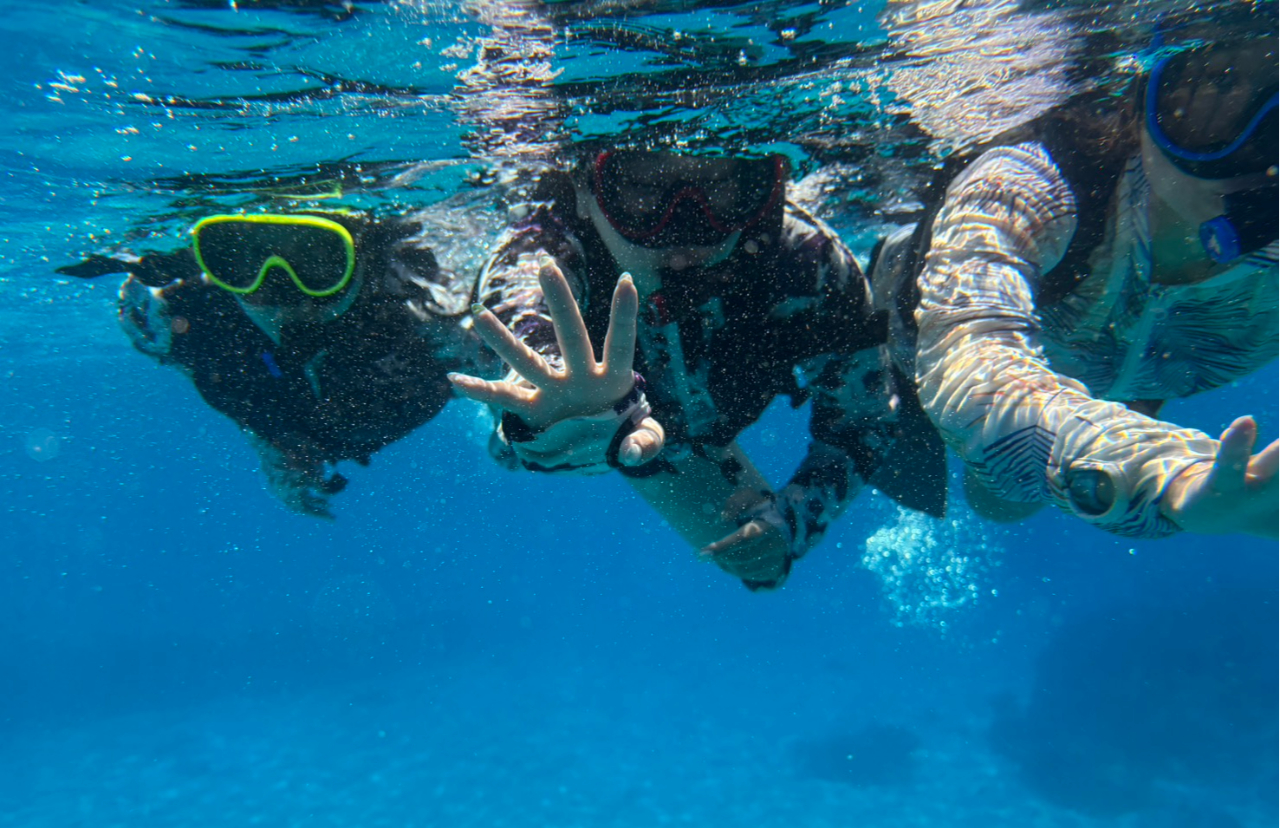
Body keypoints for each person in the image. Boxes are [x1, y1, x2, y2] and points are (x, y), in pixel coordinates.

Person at [447, 149, 947, 590]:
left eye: (725, 189)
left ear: (762, 193)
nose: (685, 231)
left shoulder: (807, 265)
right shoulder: (541, 255)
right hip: (612, 430)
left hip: (688, 439)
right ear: (583, 191)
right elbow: (524, 320)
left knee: (763, 568)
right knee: (520, 443)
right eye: (643, 191)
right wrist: (550, 407)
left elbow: (863, 420)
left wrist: (792, 519)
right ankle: (517, 437)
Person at [872, 36, 1277, 539]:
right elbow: (969, 365)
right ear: (1144, 92)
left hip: (1115, 383)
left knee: (1010, 498)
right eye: (1218, 85)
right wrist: (1162, 476)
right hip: (930, 347)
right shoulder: (1031, 180)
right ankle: (904, 250)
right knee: (994, 496)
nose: (1264, 155)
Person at [59, 209, 495, 518]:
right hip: (309, 425)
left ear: (363, 261)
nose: (279, 288)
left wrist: (518, 413)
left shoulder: (425, 320)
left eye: (316, 259)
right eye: (241, 258)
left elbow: (497, 359)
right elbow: (222, 385)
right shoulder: (189, 320)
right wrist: (277, 448)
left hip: (360, 416)